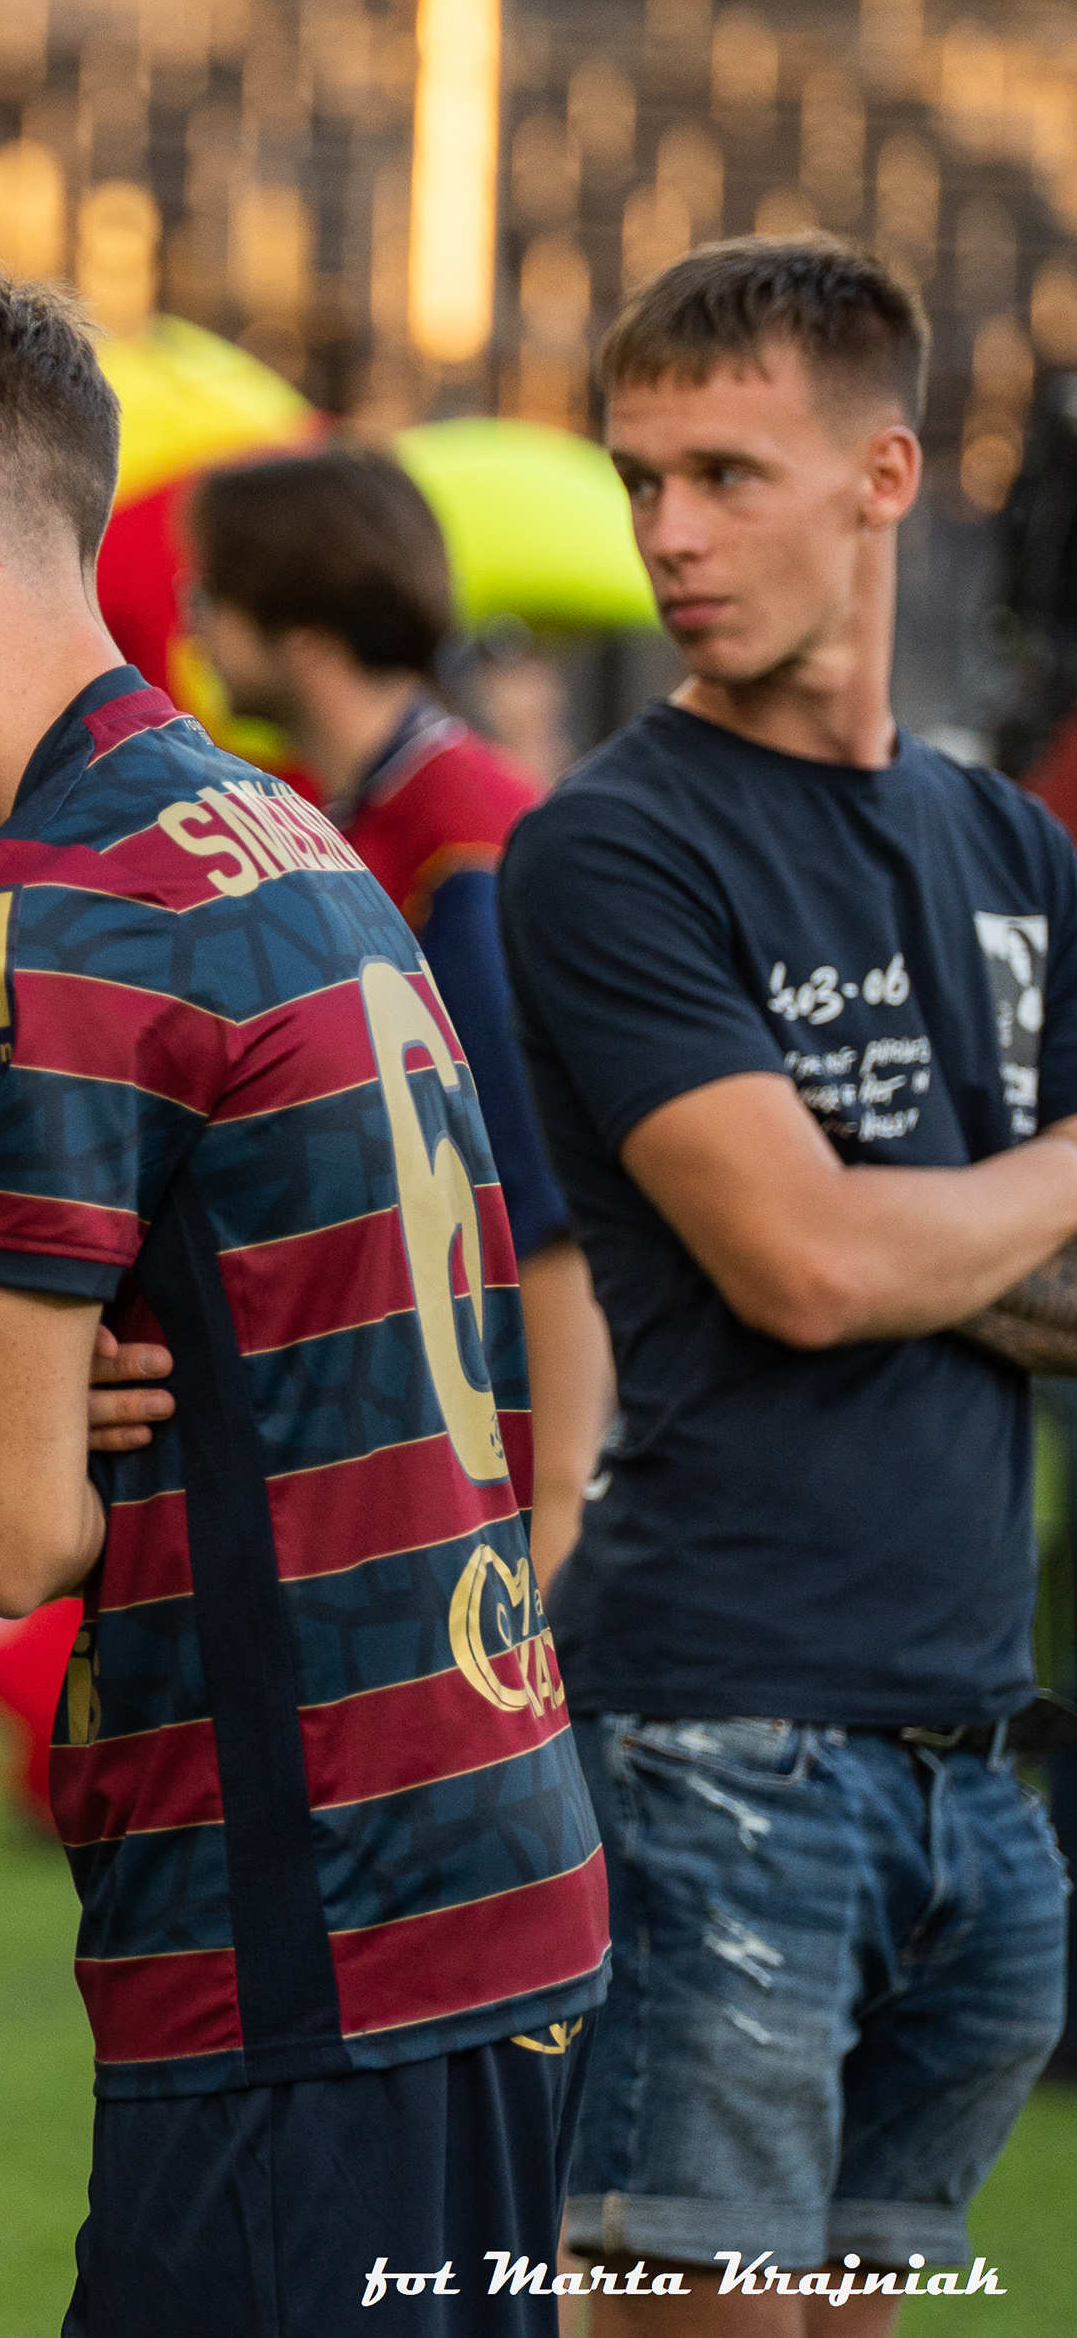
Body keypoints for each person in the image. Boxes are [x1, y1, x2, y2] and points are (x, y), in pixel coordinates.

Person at [0, 264, 607, 2336]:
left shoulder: (53, 909)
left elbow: (9, 1530)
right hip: (488, 1867)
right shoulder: (277, 824)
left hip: (307, 1932)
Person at [501, 235, 1077, 2326]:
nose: (666, 533)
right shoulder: (611, 847)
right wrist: (1040, 1178)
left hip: (974, 1753)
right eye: (640, 478)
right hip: (715, 1739)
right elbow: (807, 1263)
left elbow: (891, 1247)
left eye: (726, 474)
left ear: (884, 474)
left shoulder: (1006, 844)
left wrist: (909, 1216)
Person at [185, 448, 615, 1586]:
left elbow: (544, 1202)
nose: (191, 623)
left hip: (493, 1462)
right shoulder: (350, 810)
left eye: (211, 593)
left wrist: (554, 1513)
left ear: (304, 635)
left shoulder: (457, 835)